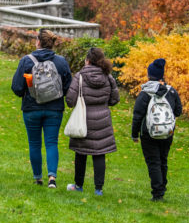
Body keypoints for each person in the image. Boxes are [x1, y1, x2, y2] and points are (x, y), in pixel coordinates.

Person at [11, 29, 72, 188]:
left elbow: (17, 87)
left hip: (31, 108)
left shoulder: (26, 61)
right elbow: (68, 86)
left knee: (34, 143)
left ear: (38, 42)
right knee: (52, 143)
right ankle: (52, 177)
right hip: (54, 108)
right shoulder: (61, 62)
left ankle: (38, 177)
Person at [65, 48, 120, 196]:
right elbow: (115, 99)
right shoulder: (108, 77)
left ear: (88, 60)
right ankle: (98, 189)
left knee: (81, 153)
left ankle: (78, 185)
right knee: (99, 154)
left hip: (83, 119)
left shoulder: (80, 76)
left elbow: (70, 100)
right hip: (102, 120)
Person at [131, 58, 182, 201]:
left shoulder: (145, 92)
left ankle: (157, 193)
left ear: (149, 75)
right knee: (163, 160)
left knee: (153, 162)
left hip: (148, 133)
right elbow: (178, 111)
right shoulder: (171, 91)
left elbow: (138, 115)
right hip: (167, 133)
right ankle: (162, 188)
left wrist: (134, 134)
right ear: (162, 75)